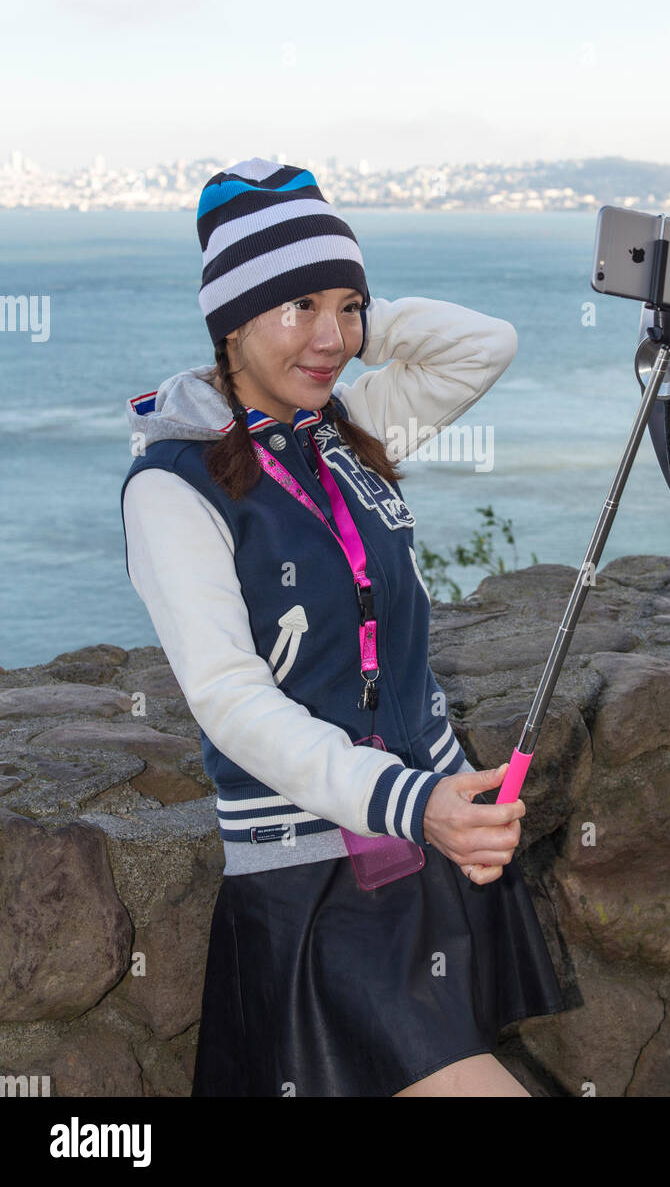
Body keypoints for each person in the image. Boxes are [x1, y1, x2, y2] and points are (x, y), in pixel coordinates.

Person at [120, 158, 569, 1098]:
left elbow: (487, 344)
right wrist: (416, 804)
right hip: (320, 879)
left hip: (436, 846)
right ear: (229, 320)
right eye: (297, 308)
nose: (331, 337)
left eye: (347, 307)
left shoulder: (346, 428)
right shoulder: (173, 486)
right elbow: (230, 704)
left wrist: (350, 320)